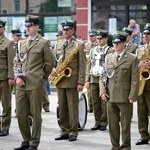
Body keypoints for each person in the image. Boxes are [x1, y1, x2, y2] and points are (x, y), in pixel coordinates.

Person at [13, 15, 54, 150]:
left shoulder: (44, 42)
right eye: (26, 26)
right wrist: (17, 76)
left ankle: (34, 143)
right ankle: (26, 140)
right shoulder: (21, 43)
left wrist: (41, 77)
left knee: (36, 114)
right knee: (20, 114)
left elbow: (49, 63)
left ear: (37, 27)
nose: (27, 28)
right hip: (21, 83)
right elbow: (16, 61)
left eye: (30, 26)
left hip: (35, 83)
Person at [100, 31, 139, 150]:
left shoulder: (132, 58)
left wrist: (133, 95)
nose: (115, 45)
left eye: (118, 43)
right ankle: (115, 146)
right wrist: (102, 92)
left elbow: (135, 79)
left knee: (125, 124)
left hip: (125, 96)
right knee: (112, 124)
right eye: (114, 43)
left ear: (123, 43)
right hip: (110, 95)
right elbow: (103, 77)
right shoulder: (108, 58)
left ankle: (126, 147)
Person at [51, 19, 86, 141]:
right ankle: (64, 130)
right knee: (62, 107)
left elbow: (82, 65)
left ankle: (73, 131)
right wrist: (53, 69)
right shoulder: (58, 44)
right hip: (60, 80)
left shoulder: (79, 44)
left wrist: (81, 82)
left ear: (72, 30)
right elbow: (54, 61)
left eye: (67, 29)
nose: (65, 31)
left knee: (72, 107)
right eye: (63, 29)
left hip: (72, 80)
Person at [86, 29, 114, 131]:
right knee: (95, 101)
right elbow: (89, 64)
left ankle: (103, 122)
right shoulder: (93, 49)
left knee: (103, 101)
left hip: (104, 78)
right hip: (93, 77)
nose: (98, 40)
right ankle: (97, 122)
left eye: (101, 38)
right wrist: (87, 79)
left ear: (106, 39)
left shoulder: (110, 50)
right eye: (97, 38)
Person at [135, 23, 150, 145]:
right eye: (144, 33)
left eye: (148, 34)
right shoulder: (140, 49)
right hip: (141, 84)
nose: (146, 35)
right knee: (141, 112)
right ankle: (144, 136)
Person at [0, 19, 15, 136]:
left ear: (4, 29)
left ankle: (5, 127)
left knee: (6, 104)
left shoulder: (8, 43)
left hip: (4, 77)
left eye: (0, 27)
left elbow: (11, 61)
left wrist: (11, 77)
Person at [38, 29, 51, 112]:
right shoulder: (26, 42)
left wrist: (45, 73)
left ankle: (46, 105)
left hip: (41, 70)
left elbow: (49, 59)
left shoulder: (44, 42)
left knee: (43, 90)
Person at [85, 29, 98, 113]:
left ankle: (94, 106)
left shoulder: (98, 45)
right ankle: (90, 107)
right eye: (90, 36)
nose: (91, 37)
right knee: (88, 90)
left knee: (94, 91)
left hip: (95, 70)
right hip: (87, 69)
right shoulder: (86, 45)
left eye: (92, 36)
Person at [11, 29, 22, 95]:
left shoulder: (22, 44)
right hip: (10, 68)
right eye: (17, 36)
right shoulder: (10, 44)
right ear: (13, 36)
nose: (19, 37)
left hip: (18, 69)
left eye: (20, 36)